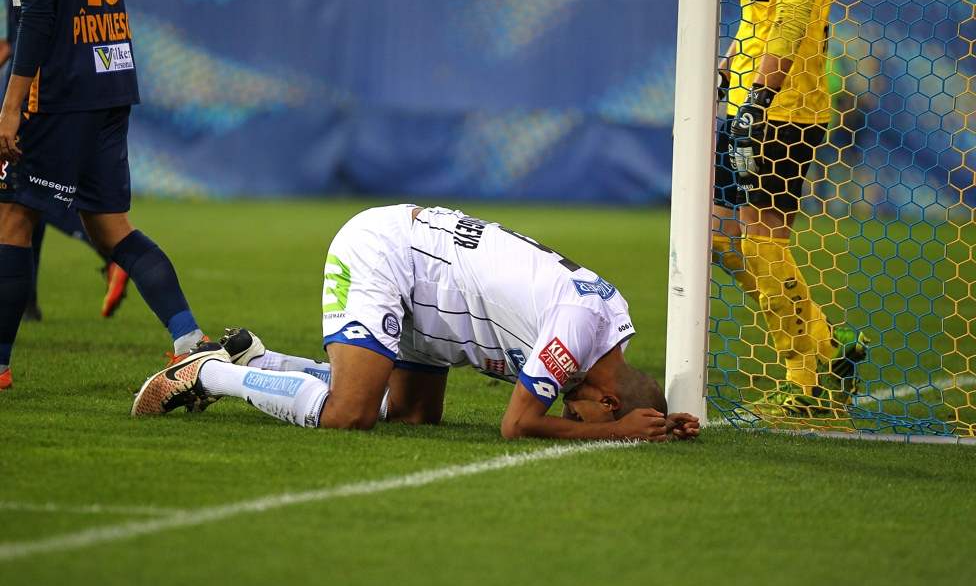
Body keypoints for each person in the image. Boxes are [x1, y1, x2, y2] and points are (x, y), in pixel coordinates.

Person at [132, 205, 700, 442]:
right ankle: (208, 374)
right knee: (351, 415)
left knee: (413, 416)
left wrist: (653, 419)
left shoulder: (608, 323)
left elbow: (616, 399)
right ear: (604, 401)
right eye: (580, 412)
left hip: (436, 306)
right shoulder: (576, 333)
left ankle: (257, 361)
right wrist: (618, 431)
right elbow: (517, 425)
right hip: (391, 255)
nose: (566, 408)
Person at [0, 0, 207, 390]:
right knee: (110, 228)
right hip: (109, 77)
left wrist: (10, 104)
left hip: (59, 90)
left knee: (11, 221)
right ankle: (190, 339)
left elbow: (38, 14)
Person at [711, 0, 868, 416]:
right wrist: (724, 75)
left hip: (783, 110)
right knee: (718, 239)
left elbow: (793, 17)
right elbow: (756, 19)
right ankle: (827, 343)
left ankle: (803, 380)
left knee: (762, 238)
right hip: (743, 101)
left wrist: (761, 95)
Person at [0, 0, 128, 323]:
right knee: (25, 194)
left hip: (43, 81)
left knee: (21, 196)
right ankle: (28, 303)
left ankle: (12, 332)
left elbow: (36, 15)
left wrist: (10, 106)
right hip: (96, 78)